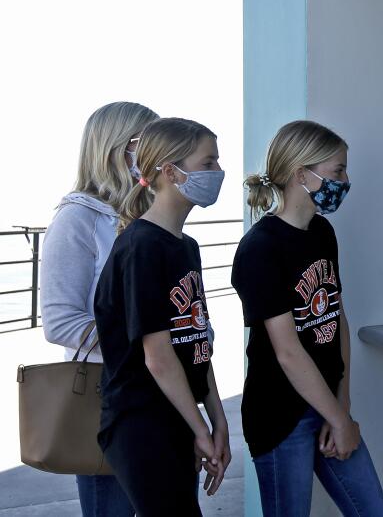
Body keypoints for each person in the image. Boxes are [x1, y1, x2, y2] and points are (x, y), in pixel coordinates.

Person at [233, 120, 383, 516]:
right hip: (280, 418)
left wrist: (342, 403)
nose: (345, 180)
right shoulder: (260, 248)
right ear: (301, 174)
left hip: (327, 404)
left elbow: (336, 320)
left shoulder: (322, 232)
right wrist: (338, 420)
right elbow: (286, 351)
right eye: (338, 170)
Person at [92, 117, 231, 515]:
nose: (218, 172)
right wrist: (200, 429)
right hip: (140, 423)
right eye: (208, 163)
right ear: (170, 172)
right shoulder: (140, 247)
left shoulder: (186, 246)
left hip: (176, 417)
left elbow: (196, 342)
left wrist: (216, 420)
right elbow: (158, 355)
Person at [41, 101, 157, 516]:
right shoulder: (77, 219)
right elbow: (59, 322)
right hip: (108, 400)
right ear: (116, 148)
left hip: (165, 397)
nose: (161, 155)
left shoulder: (154, 217)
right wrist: (146, 346)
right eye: (150, 143)